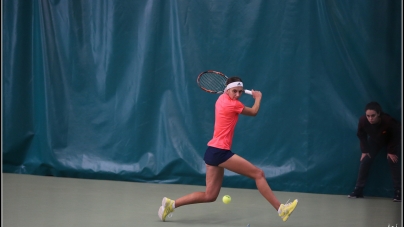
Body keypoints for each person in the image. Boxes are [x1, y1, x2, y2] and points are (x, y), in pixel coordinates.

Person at [158, 77, 298, 222]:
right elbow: (254, 111)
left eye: (240, 92)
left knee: (210, 195)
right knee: (258, 174)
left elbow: (234, 97)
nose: (237, 94)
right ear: (227, 90)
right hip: (220, 152)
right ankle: (281, 209)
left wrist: (236, 90)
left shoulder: (221, 99)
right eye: (234, 91)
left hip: (212, 151)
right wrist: (258, 98)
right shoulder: (233, 105)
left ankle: (171, 204)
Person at [348, 101, 401, 202]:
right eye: (368, 116)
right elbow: (361, 134)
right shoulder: (363, 120)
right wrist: (364, 150)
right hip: (376, 140)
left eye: (373, 116)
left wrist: (391, 151)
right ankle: (358, 190)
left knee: (392, 160)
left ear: (379, 114)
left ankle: (399, 192)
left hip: (392, 139)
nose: (370, 119)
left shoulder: (388, 121)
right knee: (365, 159)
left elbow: (397, 135)